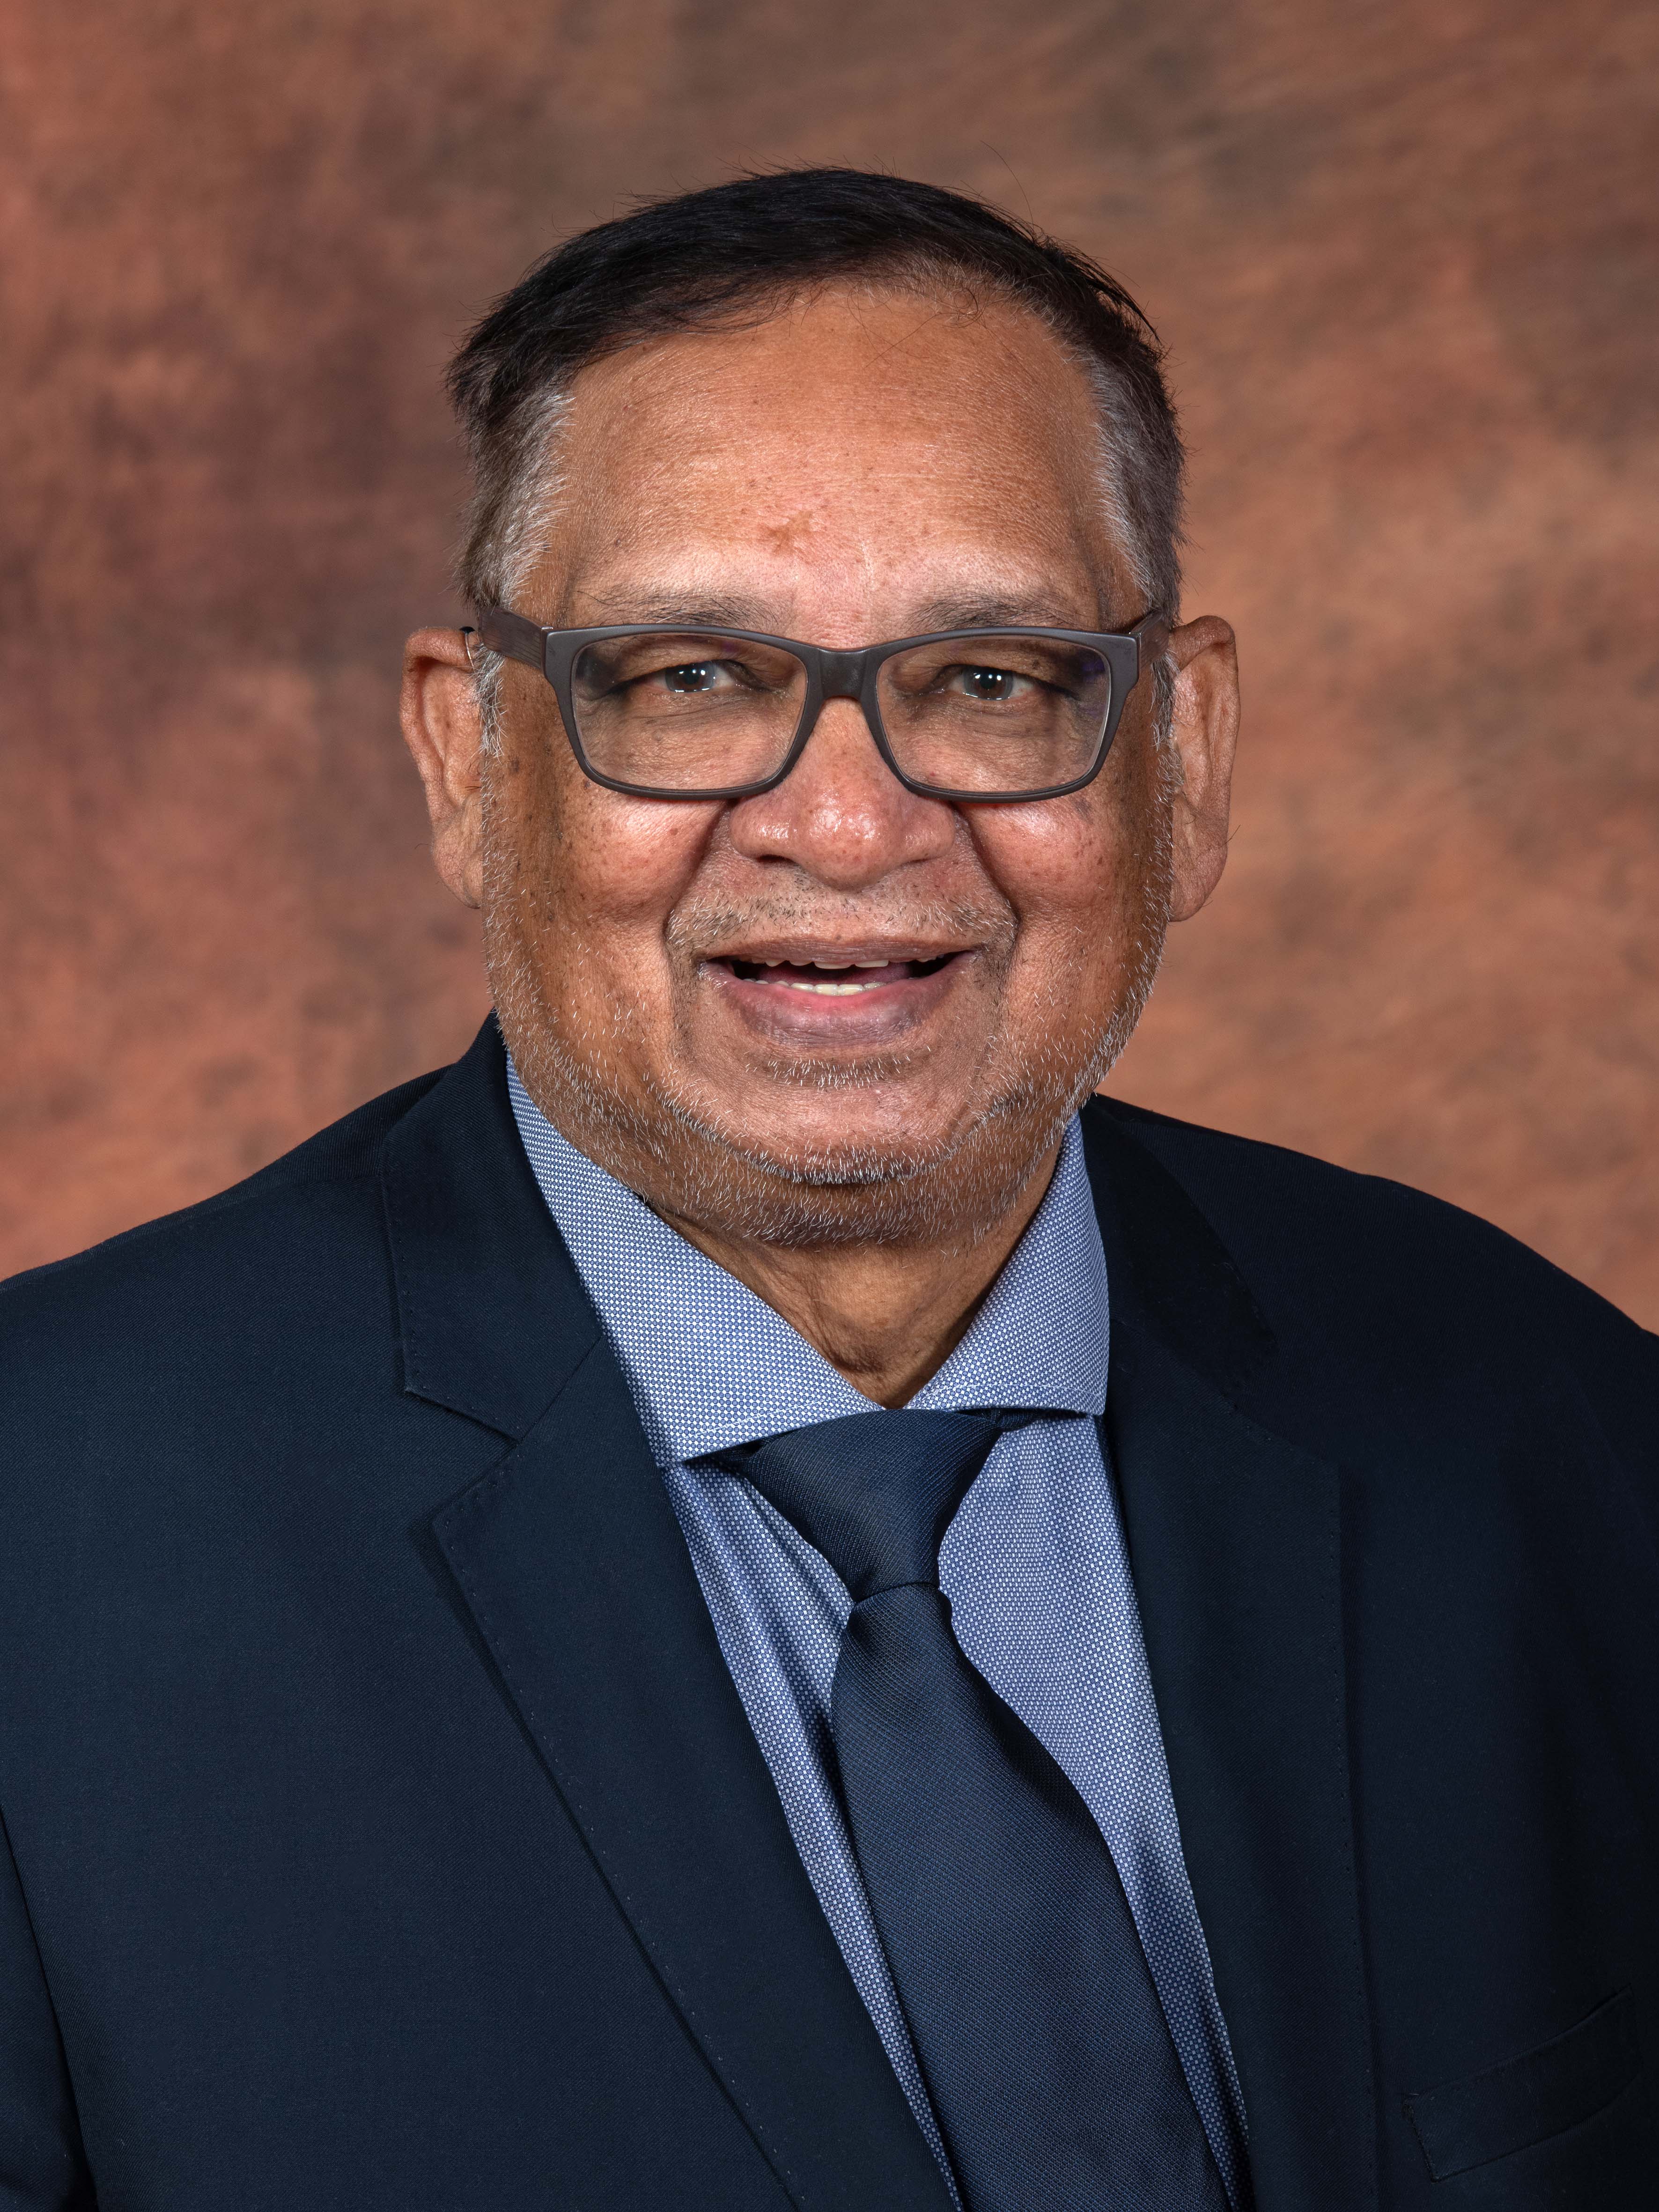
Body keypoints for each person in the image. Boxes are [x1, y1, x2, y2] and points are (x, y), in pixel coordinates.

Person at [0, 168, 1652, 2212]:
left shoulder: (1552, 1423)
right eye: (691, 677)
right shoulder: (41, 1544)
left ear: (1186, 753)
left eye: (993, 677)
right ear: (469, 763)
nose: (850, 825)